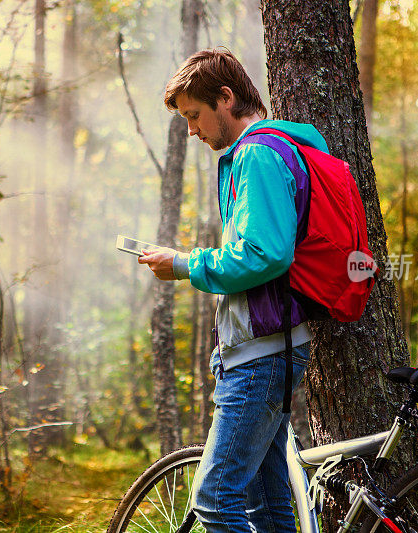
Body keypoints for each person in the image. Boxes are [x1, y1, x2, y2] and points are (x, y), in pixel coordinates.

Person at [137, 48, 330, 532]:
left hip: (265, 352)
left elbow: (265, 254)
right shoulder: (274, 150)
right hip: (267, 346)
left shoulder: (259, 154)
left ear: (226, 98)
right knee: (267, 506)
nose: (193, 130)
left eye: (194, 115)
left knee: (216, 499)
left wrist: (184, 264)